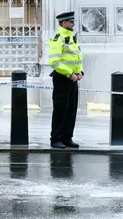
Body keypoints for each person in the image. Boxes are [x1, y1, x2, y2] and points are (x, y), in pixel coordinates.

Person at [48, 11, 83, 149]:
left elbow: (77, 57)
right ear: (63, 23)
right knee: (61, 109)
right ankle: (55, 139)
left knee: (71, 110)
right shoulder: (58, 38)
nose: (73, 23)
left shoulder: (72, 38)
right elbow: (54, 61)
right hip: (62, 78)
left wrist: (80, 71)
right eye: (70, 21)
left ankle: (67, 138)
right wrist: (69, 74)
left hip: (73, 79)